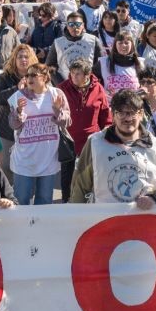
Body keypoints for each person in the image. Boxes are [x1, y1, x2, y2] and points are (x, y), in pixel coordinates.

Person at [70, 89, 156, 206]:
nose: (127, 118)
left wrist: (154, 198)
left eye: (132, 112)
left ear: (141, 114)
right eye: (121, 113)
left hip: (145, 221)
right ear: (113, 115)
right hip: (106, 221)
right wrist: (77, 220)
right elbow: (79, 186)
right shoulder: (95, 143)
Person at [7, 63, 71, 205]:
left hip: (48, 160)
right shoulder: (18, 96)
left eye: (34, 75)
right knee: (21, 202)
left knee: (45, 203)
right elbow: (13, 125)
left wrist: (56, 110)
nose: (29, 78)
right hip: (24, 161)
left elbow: (67, 122)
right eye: (28, 75)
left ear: (45, 77)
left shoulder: (57, 94)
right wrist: (18, 112)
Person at [57, 58, 112, 203]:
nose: (74, 77)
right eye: (72, 73)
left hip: (91, 139)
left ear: (87, 75)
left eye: (78, 74)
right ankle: (66, 202)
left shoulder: (98, 88)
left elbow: (105, 114)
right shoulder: (62, 88)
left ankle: (88, 202)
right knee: (67, 174)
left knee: (90, 173)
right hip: (69, 138)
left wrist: (108, 132)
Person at [0, 44, 39, 181]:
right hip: (6, 130)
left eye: (26, 57)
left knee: (28, 166)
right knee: (6, 166)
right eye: (20, 57)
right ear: (14, 59)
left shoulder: (38, 76)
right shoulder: (5, 77)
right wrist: (16, 89)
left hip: (30, 129)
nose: (23, 60)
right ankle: (7, 195)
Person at [45, 11, 103, 85]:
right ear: (67, 26)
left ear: (83, 25)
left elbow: (100, 64)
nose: (75, 27)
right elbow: (49, 65)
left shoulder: (93, 40)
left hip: (87, 84)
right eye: (71, 24)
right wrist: (61, 83)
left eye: (78, 24)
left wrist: (92, 80)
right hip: (65, 84)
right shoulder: (58, 42)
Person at [95, 30, 144, 101]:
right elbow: (92, 81)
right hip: (110, 106)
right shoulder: (103, 62)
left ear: (132, 45)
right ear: (115, 45)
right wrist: (100, 91)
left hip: (133, 107)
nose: (123, 45)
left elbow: (147, 84)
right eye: (120, 43)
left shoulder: (141, 63)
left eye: (126, 43)